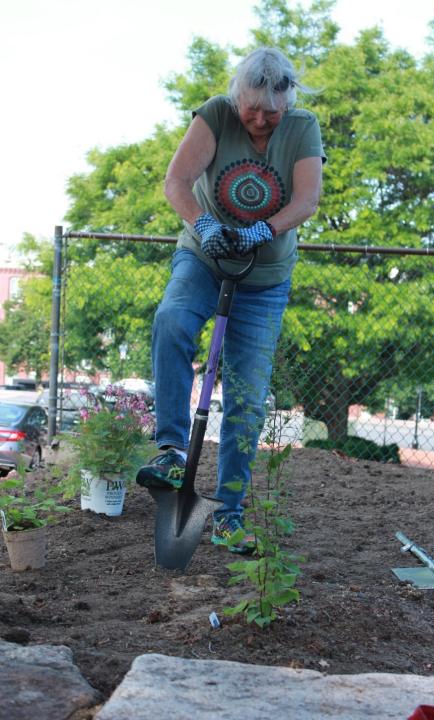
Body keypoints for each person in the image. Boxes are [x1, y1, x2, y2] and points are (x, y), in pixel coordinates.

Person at [136, 47, 326, 552]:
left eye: (272, 110)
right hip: (203, 257)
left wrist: (263, 228)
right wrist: (204, 224)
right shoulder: (217, 113)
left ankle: (228, 511)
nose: (261, 119)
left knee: (246, 394)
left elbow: (307, 199)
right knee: (173, 320)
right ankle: (172, 451)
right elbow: (176, 181)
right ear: (237, 95)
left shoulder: (303, 127)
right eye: (253, 108)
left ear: (287, 102)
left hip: (264, 277)